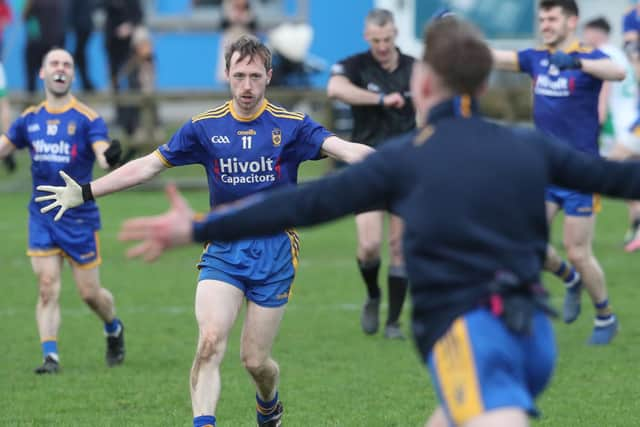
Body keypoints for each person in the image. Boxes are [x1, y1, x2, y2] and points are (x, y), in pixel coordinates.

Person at [116, 17, 640, 427]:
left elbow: (302, 206)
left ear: (425, 83)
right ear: (482, 84)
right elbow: (616, 178)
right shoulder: (527, 145)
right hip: (535, 337)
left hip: (476, 333)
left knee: (491, 408)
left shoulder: (408, 159)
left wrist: (197, 229)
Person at [35, 35, 374, 427]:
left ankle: (269, 405)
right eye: (238, 76)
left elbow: (345, 149)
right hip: (223, 248)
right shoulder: (204, 127)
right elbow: (148, 165)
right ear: (227, 76)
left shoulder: (292, 125)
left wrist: (397, 167)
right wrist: (87, 191)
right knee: (210, 342)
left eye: (254, 76)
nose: (246, 86)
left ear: (268, 76)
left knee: (256, 362)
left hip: (276, 251)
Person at [491, 0, 625, 344]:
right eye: (542, 19)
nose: (545, 24)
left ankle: (605, 315)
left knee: (578, 251)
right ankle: (569, 279)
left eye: (552, 18)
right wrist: (456, 36)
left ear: (571, 21)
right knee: (525, 240)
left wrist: (577, 62)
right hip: (544, 170)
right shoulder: (535, 57)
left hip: (581, 173)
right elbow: (495, 57)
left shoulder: (589, 55)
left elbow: (618, 71)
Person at [0, 48, 125, 374]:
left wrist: (111, 156)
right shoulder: (29, 119)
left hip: (79, 217)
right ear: (42, 73)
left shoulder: (86, 118)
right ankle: (50, 356)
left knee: (89, 294)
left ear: (71, 74)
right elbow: (4, 146)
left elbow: (102, 154)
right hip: (41, 215)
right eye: (54, 63)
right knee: (46, 286)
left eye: (67, 64)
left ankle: (113, 327)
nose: (60, 68)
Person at [327, 8, 415, 339]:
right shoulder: (355, 66)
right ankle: (373, 295)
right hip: (368, 166)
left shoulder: (414, 68)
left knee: (399, 245)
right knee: (368, 245)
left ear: (395, 35)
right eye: (376, 40)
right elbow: (335, 89)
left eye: (388, 39)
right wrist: (379, 98)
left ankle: (393, 322)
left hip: (406, 168)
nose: (382, 46)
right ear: (367, 37)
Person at [583, 17, 640, 250]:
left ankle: (580, 233)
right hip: (632, 125)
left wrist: (597, 120)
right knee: (630, 180)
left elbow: (604, 93)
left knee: (601, 173)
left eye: (586, 34)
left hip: (631, 129)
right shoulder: (621, 55)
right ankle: (636, 230)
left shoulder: (604, 54)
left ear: (596, 34)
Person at [23, 0, 67, 94]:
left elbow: (25, 16)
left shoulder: (34, 2)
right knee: (57, 70)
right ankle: (59, 93)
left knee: (32, 70)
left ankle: (31, 93)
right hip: (54, 41)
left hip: (38, 41)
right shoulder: (59, 3)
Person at [69, 0, 97, 92]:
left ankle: (87, 84)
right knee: (79, 55)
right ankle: (87, 84)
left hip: (82, 26)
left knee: (79, 55)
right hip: (83, 26)